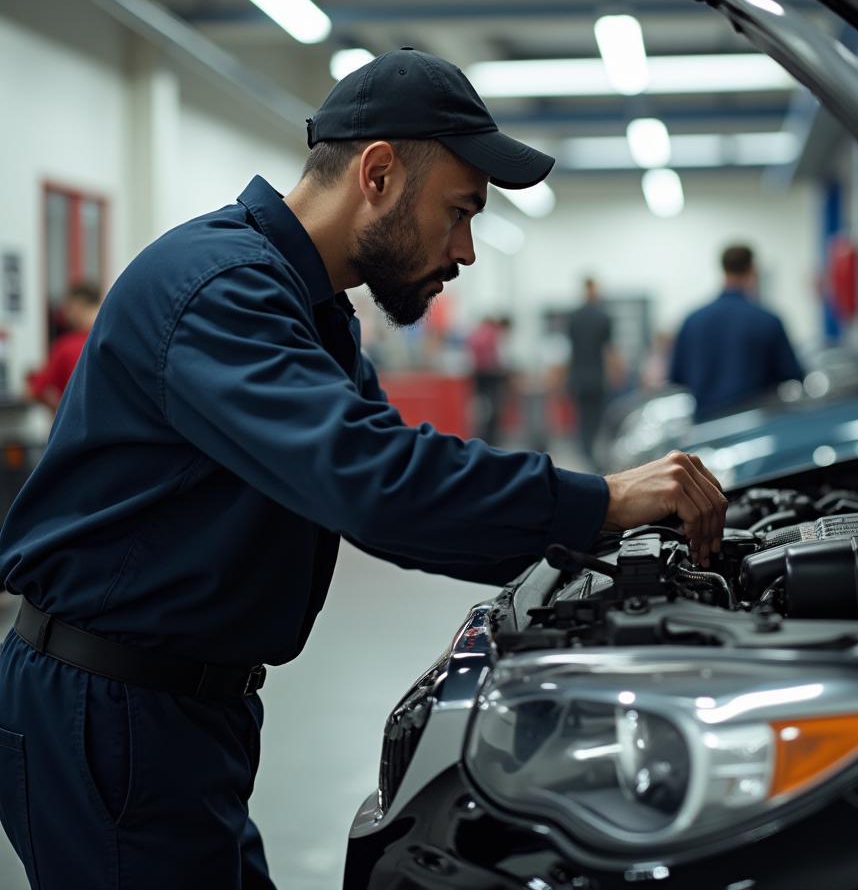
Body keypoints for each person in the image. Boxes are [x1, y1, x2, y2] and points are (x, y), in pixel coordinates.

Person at [0, 49, 726, 890]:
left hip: (183, 711)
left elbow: (400, 479)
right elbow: (376, 483)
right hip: (110, 711)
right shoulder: (223, 291)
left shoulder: (308, 309)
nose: (465, 250)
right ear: (378, 174)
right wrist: (601, 500)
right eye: (458, 213)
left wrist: (586, 538)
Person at [669, 244, 803, 420]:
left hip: (704, 426)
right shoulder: (768, 321)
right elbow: (791, 376)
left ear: (723, 268)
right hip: (754, 429)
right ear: (752, 270)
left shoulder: (692, 321)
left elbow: (677, 378)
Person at [25, 280, 101, 411]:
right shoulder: (116, 340)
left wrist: (58, 412)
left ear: (78, 306)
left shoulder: (66, 347)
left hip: (77, 427)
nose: (64, 313)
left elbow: (33, 392)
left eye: (68, 308)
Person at [566, 276, 618, 468]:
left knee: (582, 417)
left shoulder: (574, 316)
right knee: (596, 417)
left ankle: (586, 452)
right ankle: (592, 456)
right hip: (597, 377)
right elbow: (609, 349)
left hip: (578, 376)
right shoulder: (602, 316)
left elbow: (570, 349)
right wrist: (615, 373)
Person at [466, 315, 511, 444]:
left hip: (478, 374)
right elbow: (495, 357)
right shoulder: (492, 333)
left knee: (481, 406)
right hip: (491, 375)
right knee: (493, 407)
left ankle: (481, 436)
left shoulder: (477, 333)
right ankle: (491, 439)